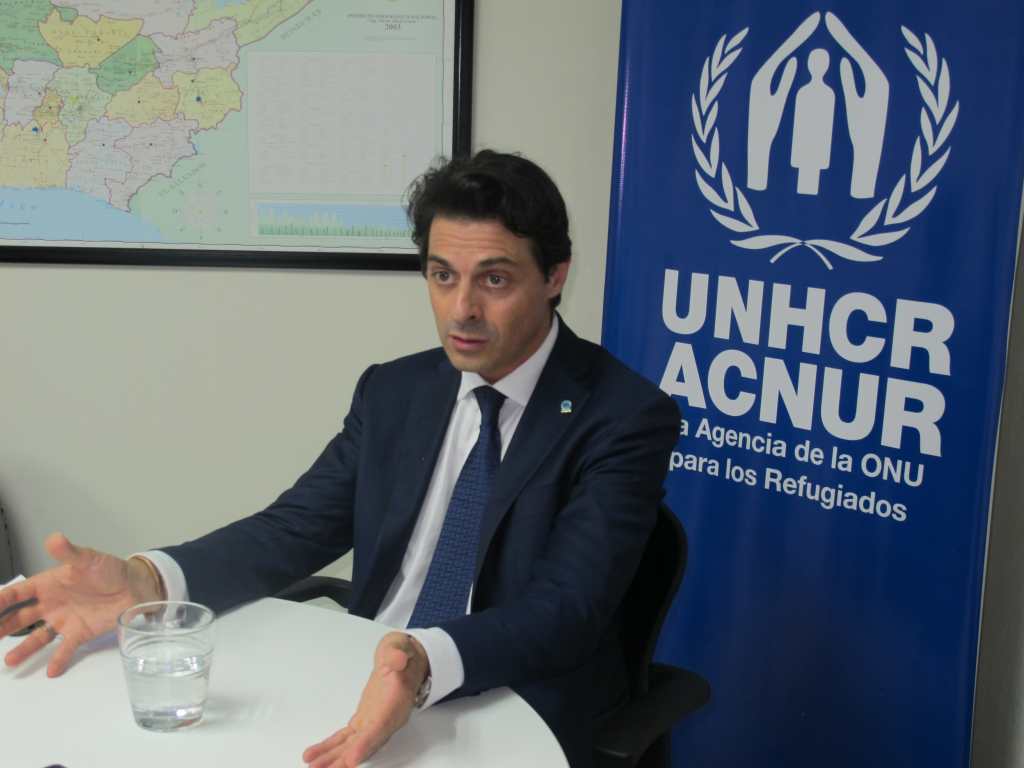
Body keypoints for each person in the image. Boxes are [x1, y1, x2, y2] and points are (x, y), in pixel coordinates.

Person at [0, 150, 679, 768]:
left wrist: (423, 660)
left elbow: (566, 609)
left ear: (555, 276)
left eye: (494, 279)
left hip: (511, 698)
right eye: (442, 276)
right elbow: (293, 528)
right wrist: (150, 580)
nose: (461, 310)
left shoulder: (623, 416)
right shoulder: (396, 391)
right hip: (363, 675)